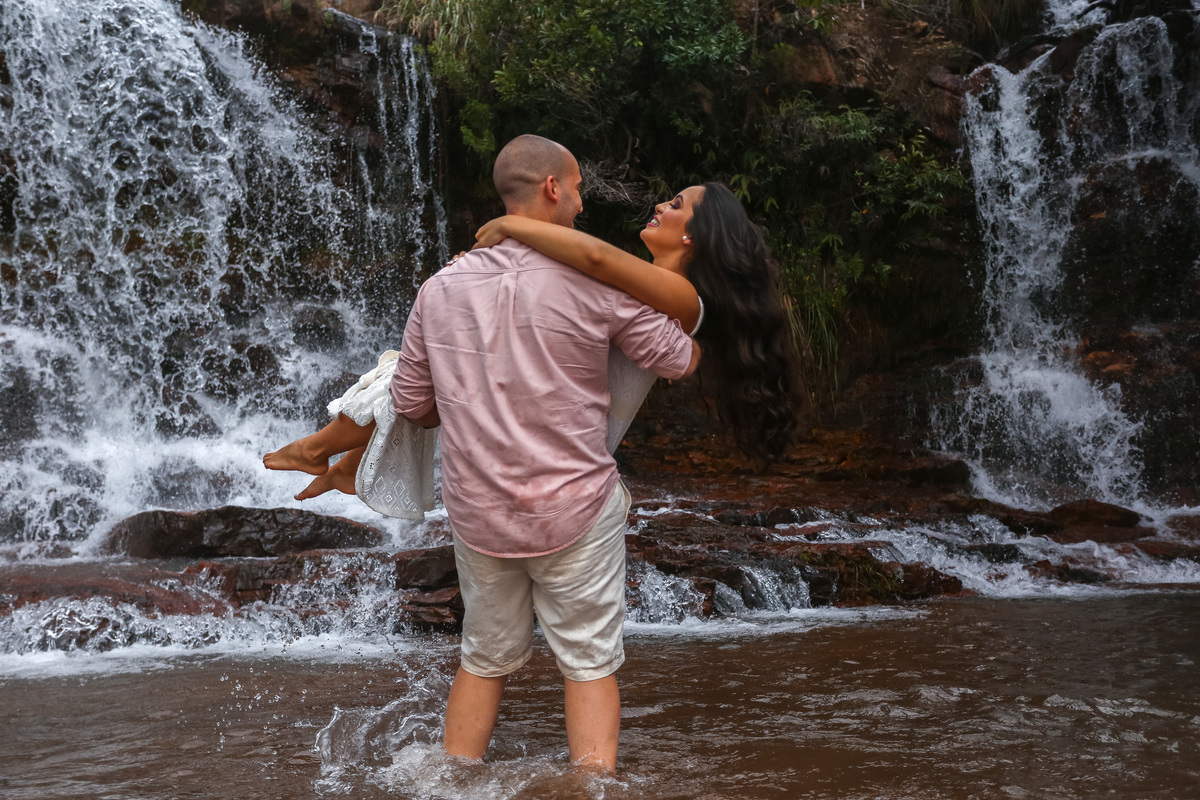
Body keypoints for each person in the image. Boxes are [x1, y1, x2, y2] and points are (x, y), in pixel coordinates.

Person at [263, 180, 801, 498]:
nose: (660, 205)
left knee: (439, 370)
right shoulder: (635, 289)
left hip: (566, 451)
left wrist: (512, 225)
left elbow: (593, 258)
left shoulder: (685, 301)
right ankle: (346, 464)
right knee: (432, 362)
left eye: (676, 204)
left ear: (693, 236)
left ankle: (323, 452)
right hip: (541, 422)